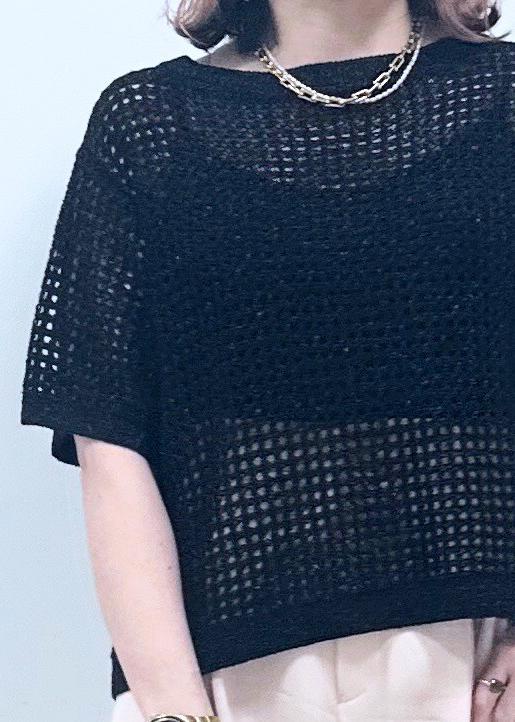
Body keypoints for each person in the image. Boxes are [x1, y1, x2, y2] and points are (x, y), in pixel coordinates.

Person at [20, 0, 515, 720]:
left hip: (477, 654)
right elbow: (108, 435)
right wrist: (173, 707)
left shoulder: (505, 98)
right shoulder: (147, 123)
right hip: (224, 670)